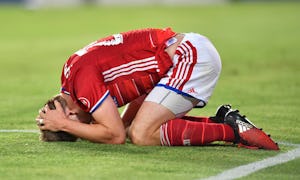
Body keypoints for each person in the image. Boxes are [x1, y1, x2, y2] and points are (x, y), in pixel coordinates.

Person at [36, 28, 279, 150]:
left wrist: (64, 126)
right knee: (136, 128)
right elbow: (139, 90)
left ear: (69, 113)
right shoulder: (71, 77)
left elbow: (115, 136)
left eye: (84, 125)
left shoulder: (82, 85)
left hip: (189, 57)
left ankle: (232, 131)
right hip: (185, 53)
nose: (91, 125)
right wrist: (125, 123)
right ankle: (223, 120)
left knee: (141, 135)